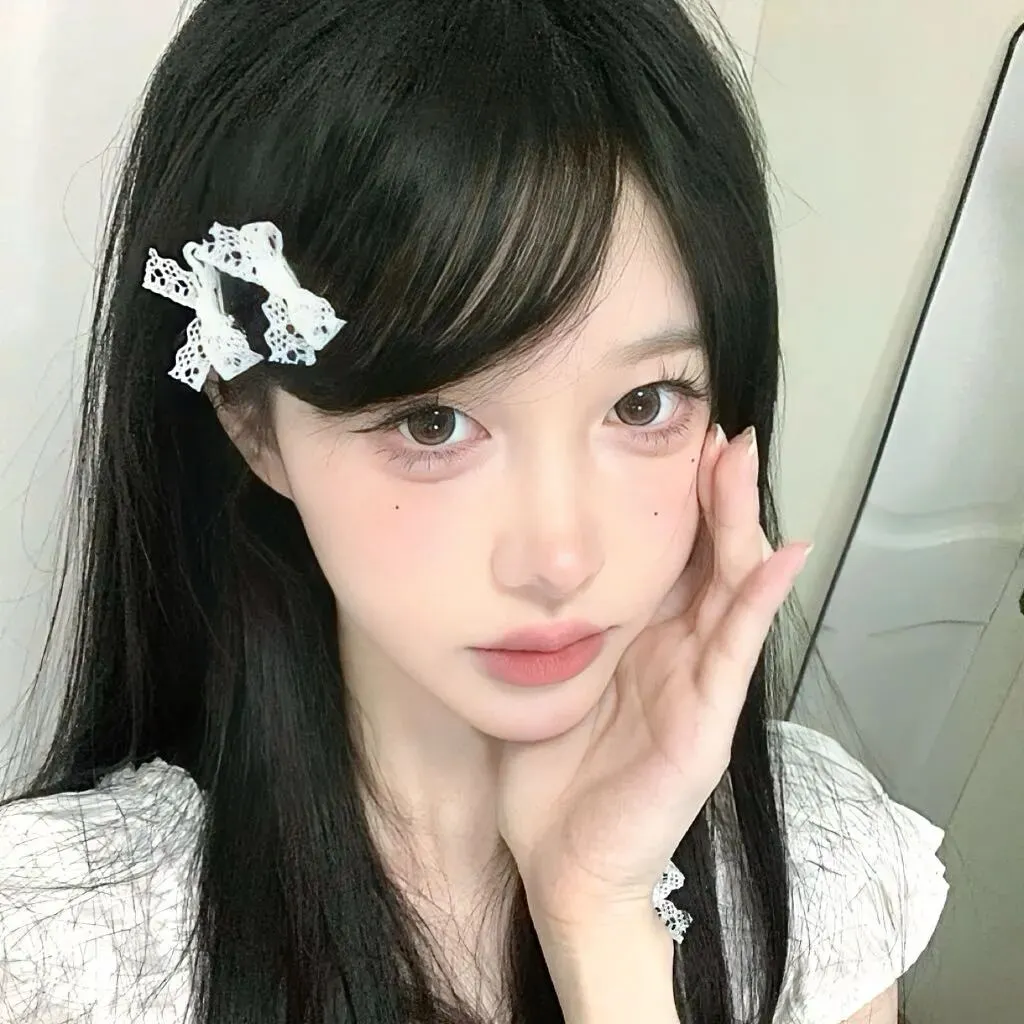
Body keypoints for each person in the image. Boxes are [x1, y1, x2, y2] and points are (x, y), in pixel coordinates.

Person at [0, 1, 948, 1022]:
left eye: (643, 404)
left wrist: (603, 925)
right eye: (434, 422)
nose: (560, 557)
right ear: (253, 423)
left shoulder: (815, 870)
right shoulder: (64, 954)